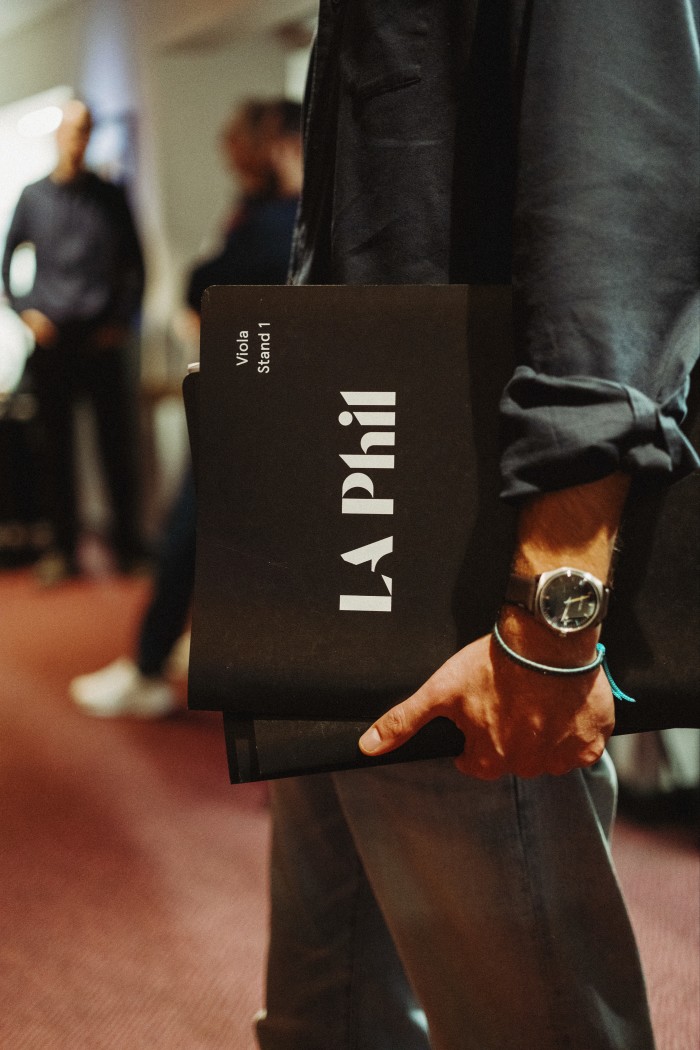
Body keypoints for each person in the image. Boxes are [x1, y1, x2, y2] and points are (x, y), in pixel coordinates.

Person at [255, 4, 699, 1050]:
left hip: (472, 568)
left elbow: (616, 217)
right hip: (353, 530)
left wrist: (552, 617)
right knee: (326, 1017)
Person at [69, 98, 303, 718]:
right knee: (207, 534)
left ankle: (149, 665)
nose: (229, 150)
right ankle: (171, 654)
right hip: (241, 390)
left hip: (266, 400)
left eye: (240, 139)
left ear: (274, 142)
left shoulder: (288, 219)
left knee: (190, 533)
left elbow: (213, 282)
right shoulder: (257, 211)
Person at [1, 99, 145, 584]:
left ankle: (126, 544)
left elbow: (136, 265)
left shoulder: (110, 195)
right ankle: (62, 550)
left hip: (101, 340)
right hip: (53, 342)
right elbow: (7, 268)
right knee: (54, 453)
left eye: (84, 130)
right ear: (57, 137)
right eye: (69, 130)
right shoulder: (33, 196)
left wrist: (123, 320)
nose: (76, 139)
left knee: (115, 448)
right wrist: (28, 312)